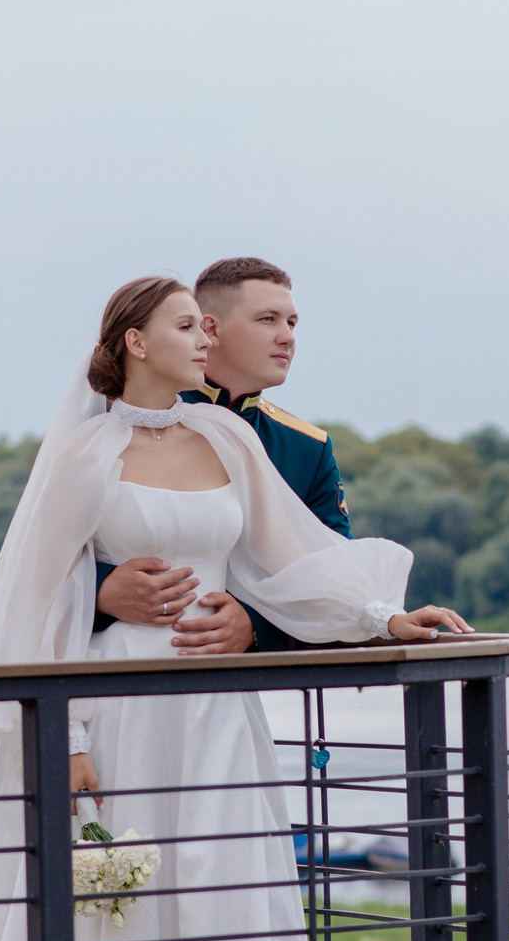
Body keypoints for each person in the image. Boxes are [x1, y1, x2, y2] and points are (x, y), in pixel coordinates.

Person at [0, 276, 468, 941]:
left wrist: (385, 615)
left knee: (232, 907)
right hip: (120, 708)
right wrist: (63, 740)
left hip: (217, 721)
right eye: (189, 324)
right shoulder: (83, 455)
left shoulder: (229, 439)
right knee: (120, 916)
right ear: (137, 343)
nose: (207, 335)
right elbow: (33, 596)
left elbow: (294, 553)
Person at [94, 257, 351, 657]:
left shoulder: (308, 448)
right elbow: (41, 553)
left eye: (292, 323)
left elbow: (333, 573)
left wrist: (256, 626)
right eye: (268, 319)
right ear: (210, 329)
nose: (287, 337)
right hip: (122, 667)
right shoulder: (107, 427)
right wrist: (101, 591)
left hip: (236, 687)